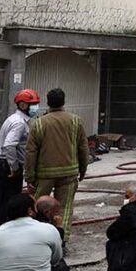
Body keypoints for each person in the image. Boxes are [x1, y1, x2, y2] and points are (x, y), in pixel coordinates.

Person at [0, 89, 40, 252]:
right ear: (23, 105)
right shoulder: (19, 123)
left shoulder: (15, 119)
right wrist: (14, 167)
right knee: (6, 204)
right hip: (7, 165)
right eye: (33, 105)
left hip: (2, 164)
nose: (36, 108)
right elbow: (9, 145)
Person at [25, 88, 88, 242]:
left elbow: (31, 152)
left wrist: (29, 177)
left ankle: (36, 236)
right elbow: (83, 147)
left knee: (37, 205)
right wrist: (83, 169)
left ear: (47, 102)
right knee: (65, 207)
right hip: (69, 172)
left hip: (44, 173)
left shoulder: (39, 124)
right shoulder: (75, 121)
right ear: (63, 101)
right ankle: (62, 239)